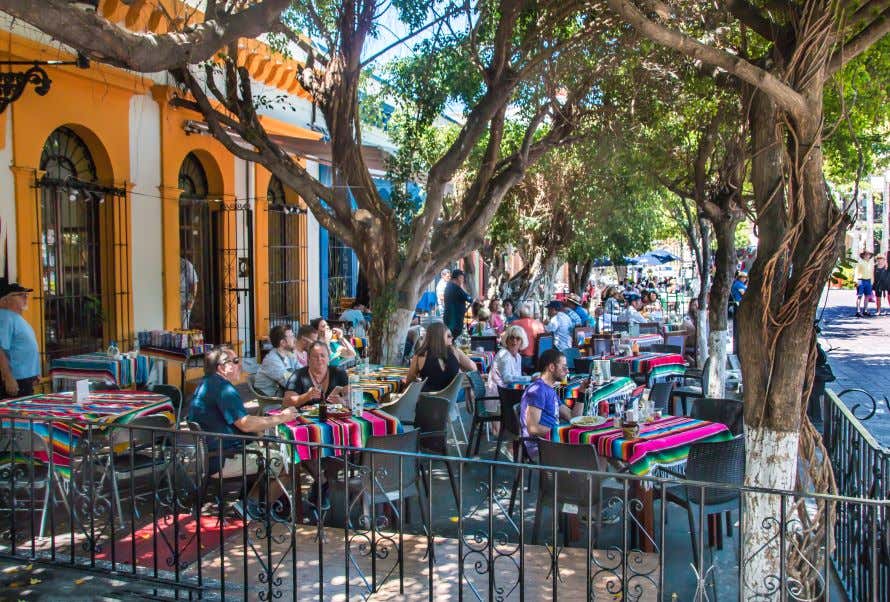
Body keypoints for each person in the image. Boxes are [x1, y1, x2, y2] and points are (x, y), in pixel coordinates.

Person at [187, 346, 298, 521]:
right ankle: (251, 507)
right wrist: (281, 418)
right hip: (223, 458)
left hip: (212, 455)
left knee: (268, 445)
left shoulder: (206, 384)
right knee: (288, 462)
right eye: (236, 361)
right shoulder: (224, 390)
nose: (241, 366)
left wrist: (260, 431)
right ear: (223, 367)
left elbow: (238, 421)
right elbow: (245, 424)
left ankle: (252, 500)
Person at [519, 348, 572, 459]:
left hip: (553, 443)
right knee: (591, 452)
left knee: (597, 445)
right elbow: (533, 428)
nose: (567, 371)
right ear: (552, 367)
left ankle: (614, 474)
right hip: (541, 448)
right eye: (564, 367)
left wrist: (581, 394)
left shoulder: (549, 389)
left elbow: (571, 416)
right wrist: (563, 433)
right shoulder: (538, 390)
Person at [406, 321, 477, 392]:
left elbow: (409, 381)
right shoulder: (455, 351)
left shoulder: (420, 355)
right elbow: (473, 368)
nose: (452, 338)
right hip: (452, 398)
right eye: (448, 336)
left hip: (427, 399)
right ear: (439, 337)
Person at [0, 281, 40, 399]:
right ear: (5, 300)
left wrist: (34, 372)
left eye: (26, 294)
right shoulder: (4, 317)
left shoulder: (15, 317)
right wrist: (8, 377)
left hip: (25, 377)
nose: (25, 297)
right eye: (20, 295)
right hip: (15, 379)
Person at [285, 341, 350, 408]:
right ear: (308, 359)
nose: (319, 359)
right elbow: (286, 403)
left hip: (334, 416)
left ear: (328, 358)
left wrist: (343, 401)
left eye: (322, 355)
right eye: (315, 356)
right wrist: (307, 396)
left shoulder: (339, 372)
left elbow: (351, 398)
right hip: (304, 417)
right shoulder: (298, 375)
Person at [485, 325, 527, 410]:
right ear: (506, 340)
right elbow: (507, 379)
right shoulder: (504, 355)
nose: (514, 341)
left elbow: (516, 381)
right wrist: (529, 379)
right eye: (511, 338)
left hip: (508, 393)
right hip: (498, 398)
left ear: (522, 342)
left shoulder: (518, 356)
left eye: (518, 339)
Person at [254, 324, 300, 397]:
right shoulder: (272, 360)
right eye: (291, 336)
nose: (295, 339)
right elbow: (289, 383)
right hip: (271, 401)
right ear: (282, 342)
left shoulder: (289, 355)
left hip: (283, 394)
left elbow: (302, 371)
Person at [513, 303, 546, 373]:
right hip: (538, 360)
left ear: (520, 313)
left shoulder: (515, 323)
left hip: (521, 359)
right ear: (531, 314)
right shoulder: (539, 324)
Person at [443, 269, 474, 338]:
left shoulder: (449, 286)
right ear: (459, 277)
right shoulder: (456, 288)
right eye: (462, 278)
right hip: (454, 321)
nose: (463, 281)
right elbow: (469, 299)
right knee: (452, 337)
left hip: (450, 319)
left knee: (450, 337)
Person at [854, 250, 875, 317]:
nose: (867, 256)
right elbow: (856, 272)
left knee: (867, 296)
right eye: (865, 254)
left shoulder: (870, 263)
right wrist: (856, 281)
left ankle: (865, 310)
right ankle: (858, 311)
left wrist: (872, 282)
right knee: (859, 296)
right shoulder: (860, 262)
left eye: (868, 254)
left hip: (868, 281)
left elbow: (871, 273)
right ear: (863, 255)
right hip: (861, 280)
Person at [180, 257, 198, 328]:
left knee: (183, 327)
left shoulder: (186, 264)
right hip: (170, 300)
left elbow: (194, 284)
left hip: (184, 301)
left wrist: (191, 301)